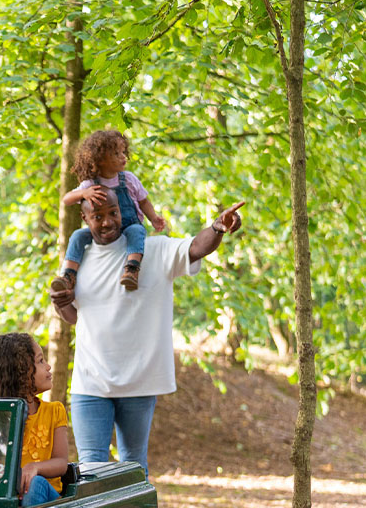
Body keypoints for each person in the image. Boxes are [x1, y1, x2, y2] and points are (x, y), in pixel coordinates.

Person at [49, 194, 246, 478]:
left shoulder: (153, 249)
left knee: (133, 465)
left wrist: (217, 228)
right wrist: (61, 302)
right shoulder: (78, 260)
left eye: (113, 213)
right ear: (85, 219)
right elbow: (75, 318)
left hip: (138, 382)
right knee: (91, 468)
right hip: (90, 381)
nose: (107, 222)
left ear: (122, 211)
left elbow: (195, 247)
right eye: (98, 216)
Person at [0, 333, 70, 508]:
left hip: (46, 499)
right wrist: (3, 474)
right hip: (4, 496)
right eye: (41, 361)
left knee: (34, 485)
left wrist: (33, 468)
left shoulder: (54, 411)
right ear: (19, 371)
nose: (48, 367)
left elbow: (61, 463)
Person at [58, 129, 169, 292]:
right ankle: (68, 275)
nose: (123, 156)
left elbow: (143, 201)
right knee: (77, 235)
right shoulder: (90, 184)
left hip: (127, 228)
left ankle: (131, 269)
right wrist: (83, 193)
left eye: (123, 152)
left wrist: (153, 218)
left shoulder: (128, 179)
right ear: (101, 159)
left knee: (138, 230)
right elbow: (66, 199)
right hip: (102, 231)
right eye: (116, 154)